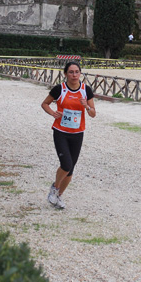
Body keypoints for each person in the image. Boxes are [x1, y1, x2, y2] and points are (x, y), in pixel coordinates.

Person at [41, 62, 96, 209]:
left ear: (80, 74)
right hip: (61, 132)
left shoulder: (86, 90)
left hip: (77, 133)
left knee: (70, 170)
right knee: (66, 165)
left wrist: (87, 106)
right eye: (71, 72)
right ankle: (55, 188)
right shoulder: (60, 89)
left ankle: (58, 197)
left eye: (77, 72)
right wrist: (53, 113)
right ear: (65, 74)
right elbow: (45, 104)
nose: (74, 75)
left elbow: (93, 114)